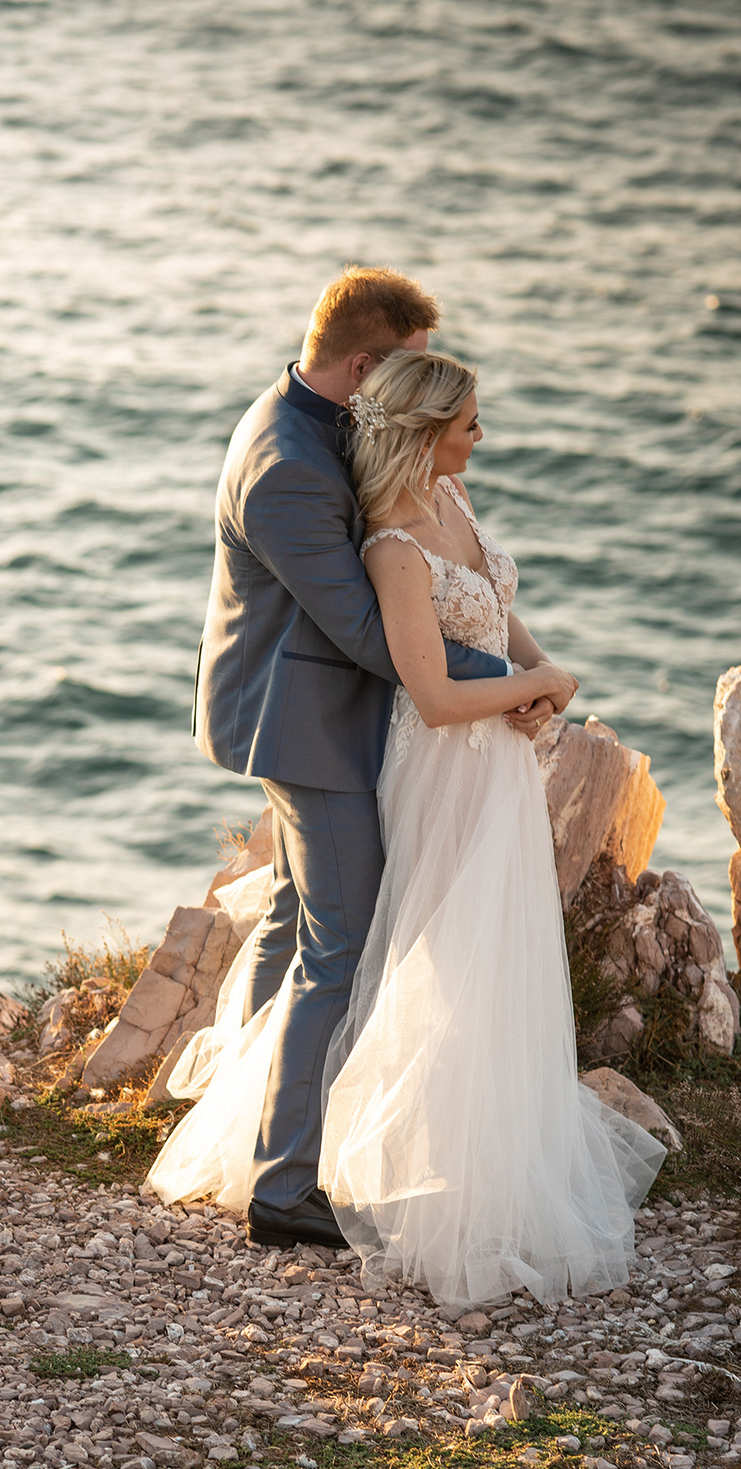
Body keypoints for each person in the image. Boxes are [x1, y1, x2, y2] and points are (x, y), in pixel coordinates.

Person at [161, 334, 665, 1309]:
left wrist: (534, 676)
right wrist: (526, 686)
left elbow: (496, 608)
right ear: (428, 431)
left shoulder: (452, 495)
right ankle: (301, 1175)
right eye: (469, 421)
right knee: (384, 951)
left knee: (474, 955)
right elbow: (417, 678)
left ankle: (456, 1151)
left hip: (494, 764)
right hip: (421, 759)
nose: (483, 435)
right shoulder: (381, 537)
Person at [186, 266, 558, 1251]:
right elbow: (366, 630)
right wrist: (510, 681)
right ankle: (282, 1185)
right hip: (306, 722)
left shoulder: (333, 427)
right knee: (339, 945)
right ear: (361, 367)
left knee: (295, 919)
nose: (410, 392)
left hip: (339, 711)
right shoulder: (287, 466)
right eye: (401, 370)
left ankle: (241, 1113)